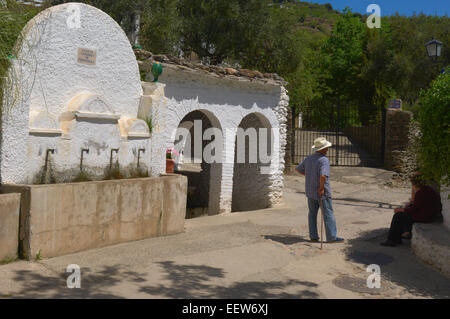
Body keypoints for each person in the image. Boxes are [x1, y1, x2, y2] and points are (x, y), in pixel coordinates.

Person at [296, 137, 344, 243]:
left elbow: (298, 169)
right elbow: (323, 176)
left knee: (312, 214)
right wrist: (321, 188)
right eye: (326, 148)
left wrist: (309, 175)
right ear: (321, 149)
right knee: (328, 214)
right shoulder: (324, 160)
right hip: (322, 193)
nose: (327, 150)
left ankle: (313, 236)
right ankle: (331, 237)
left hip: (310, 191)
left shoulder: (309, 158)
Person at [380, 172, 442, 247]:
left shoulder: (421, 193)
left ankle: (392, 240)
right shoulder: (428, 189)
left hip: (425, 217)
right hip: (430, 215)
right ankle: (400, 236)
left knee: (398, 215)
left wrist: (401, 209)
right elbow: (417, 206)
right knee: (403, 214)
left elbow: (414, 209)